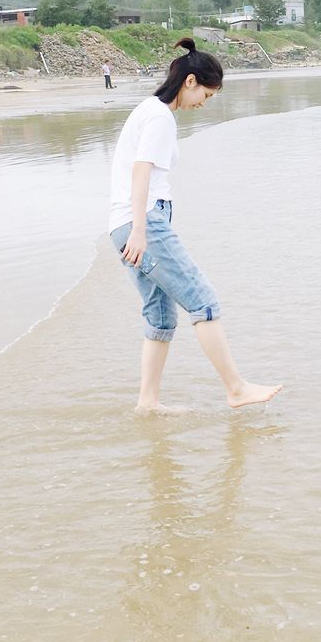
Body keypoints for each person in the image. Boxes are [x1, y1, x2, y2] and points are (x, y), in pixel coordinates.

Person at [108, 38, 282, 412]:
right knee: (203, 301)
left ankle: (148, 402)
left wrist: (134, 229)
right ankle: (235, 388)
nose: (205, 102)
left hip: (124, 225)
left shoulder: (148, 110)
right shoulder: (159, 117)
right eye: (206, 93)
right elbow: (141, 173)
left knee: (160, 316)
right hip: (142, 224)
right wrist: (141, 230)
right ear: (189, 81)